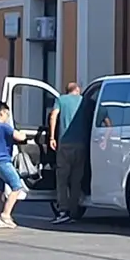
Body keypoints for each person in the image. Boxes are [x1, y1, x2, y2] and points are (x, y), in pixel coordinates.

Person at [49, 82, 89, 225]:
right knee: (76, 180)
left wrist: (52, 137)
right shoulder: (85, 101)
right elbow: (103, 119)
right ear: (77, 90)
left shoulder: (61, 100)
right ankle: (74, 212)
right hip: (81, 145)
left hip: (65, 144)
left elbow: (53, 115)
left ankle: (63, 211)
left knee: (62, 180)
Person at [0, 101, 29, 229]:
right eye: (7, 114)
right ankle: (5, 215)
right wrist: (24, 134)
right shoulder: (4, 126)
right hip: (3, 161)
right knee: (17, 187)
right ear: (2, 112)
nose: (8, 117)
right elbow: (19, 137)